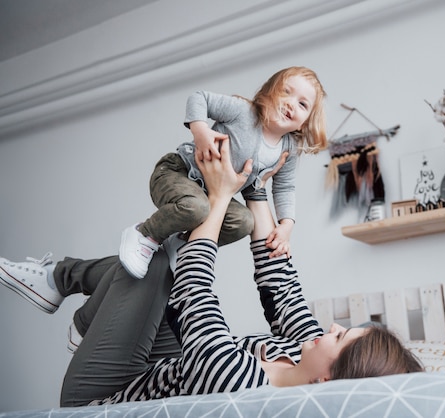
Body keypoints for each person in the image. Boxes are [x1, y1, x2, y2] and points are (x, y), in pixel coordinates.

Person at [0, 138, 423, 407]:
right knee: (152, 255)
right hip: (162, 365)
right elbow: (281, 286)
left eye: (341, 337)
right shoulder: (300, 355)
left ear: (329, 379)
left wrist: (219, 196)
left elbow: (195, 294)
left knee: (162, 258)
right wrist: (258, 185)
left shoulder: (241, 387)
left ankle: (71, 294)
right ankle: (69, 292)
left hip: (102, 394)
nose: (332, 326)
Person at [119, 66, 328, 279]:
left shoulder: (288, 148)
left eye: (302, 104)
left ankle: (183, 243)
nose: (291, 103)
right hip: (178, 171)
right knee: (196, 207)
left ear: (305, 123)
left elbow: (285, 187)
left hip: (211, 195)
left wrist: (286, 226)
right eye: (286, 91)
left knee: (244, 222)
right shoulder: (243, 111)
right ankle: (145, 233)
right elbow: (199, 98)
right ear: (267, 92)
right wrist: (200, 130)